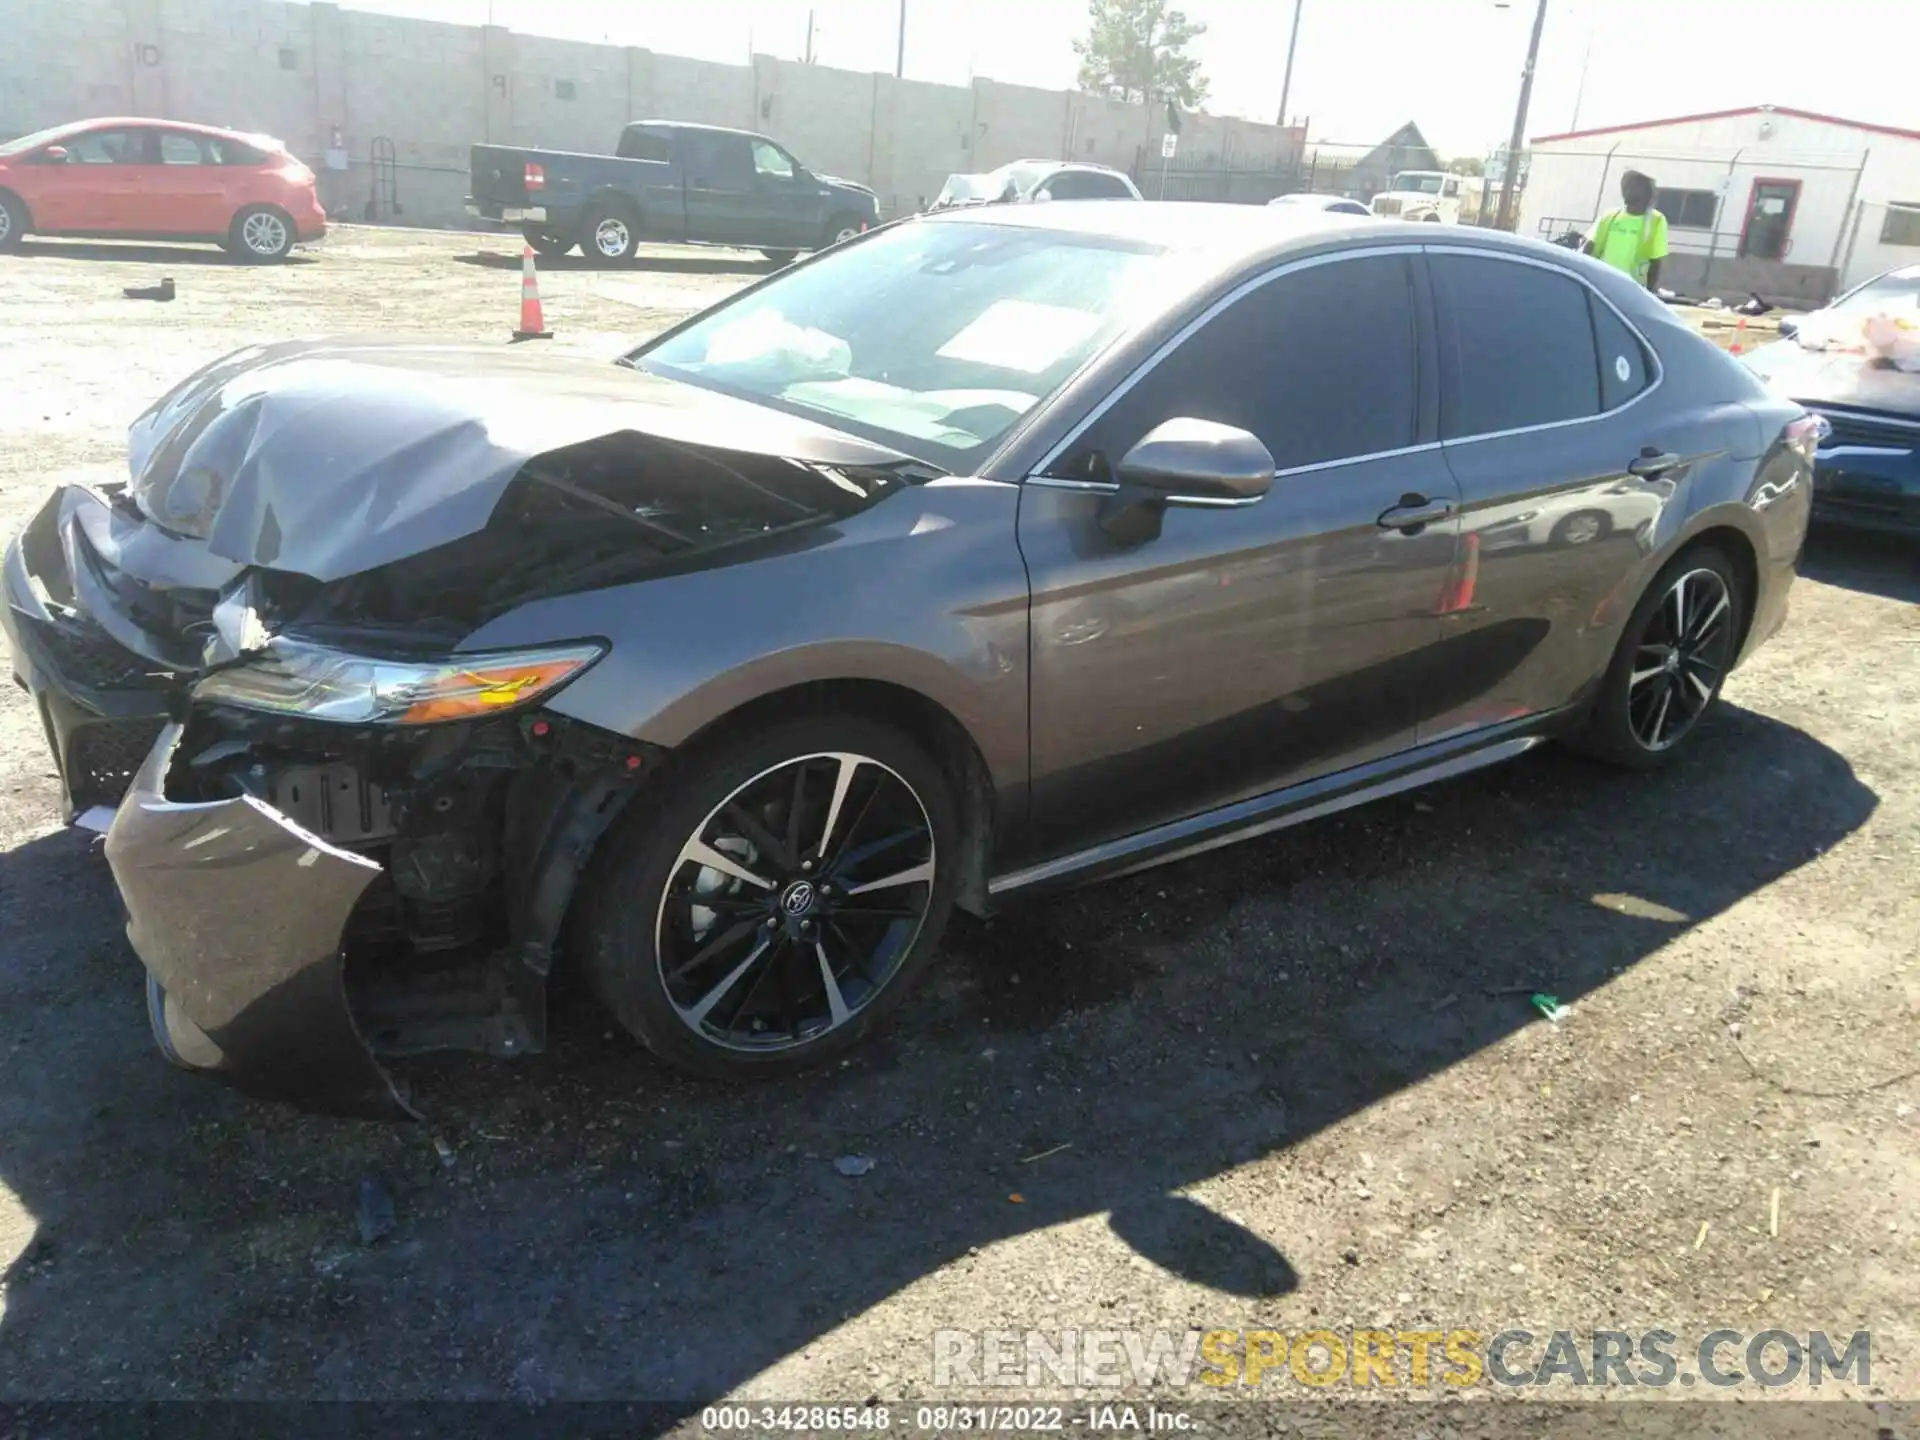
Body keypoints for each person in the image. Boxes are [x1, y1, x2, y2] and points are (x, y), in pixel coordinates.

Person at [1587, 170, 1668, 292]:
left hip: (1632, 290)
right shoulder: (1609, 216)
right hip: (1602, 286)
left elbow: (1656, 262)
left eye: (1633, 186)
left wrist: (1649, 293)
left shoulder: (1656, 221)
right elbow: (1588, 249)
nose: (1626, 190)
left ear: (1647, 192)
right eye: (1625, 186)